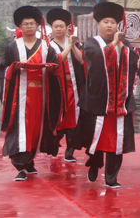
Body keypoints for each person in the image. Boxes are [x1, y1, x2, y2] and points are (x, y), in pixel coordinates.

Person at [77, 2, 140, 190]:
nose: (110, 26)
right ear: (98, 24)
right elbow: (95, 59)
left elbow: (133, 64)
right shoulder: (91, 43)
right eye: (106, 21)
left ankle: (112, 177)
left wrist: (124, 49)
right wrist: (114, 45)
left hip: (120, 103)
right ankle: (95, 163)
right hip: (98, 102)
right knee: (96, 139)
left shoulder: (125, 44)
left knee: (117, 141)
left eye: (113, 22)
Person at [0, 6, 61, 181]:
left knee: (36, 130)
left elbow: (55, 68)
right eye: (25, 24)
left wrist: (51, 69)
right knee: (20, 129)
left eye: (31, 24)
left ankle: (29, 161)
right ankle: (20, 165)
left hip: (40, 96)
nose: (28, 27)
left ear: (37, 26)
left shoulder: (46, 48)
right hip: (19, 97)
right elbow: (3, 68)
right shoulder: (12, 47)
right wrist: (13, 68)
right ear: (19, 26)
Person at [46, 8, 85, 163]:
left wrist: (74, 45)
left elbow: (82, 60)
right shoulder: (49, 46)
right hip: (57, 87)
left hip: (74, 86)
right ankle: (54, 143)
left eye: (62, 26)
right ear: (52, 28)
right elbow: (56, 61)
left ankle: (70, 150)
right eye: (56, 26)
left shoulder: (75, 43)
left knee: (74, 117)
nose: (59, 29)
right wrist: (68, 46)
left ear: (67, 27)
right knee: (58, 117)